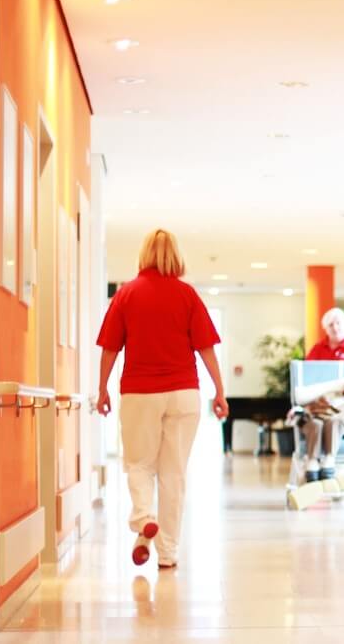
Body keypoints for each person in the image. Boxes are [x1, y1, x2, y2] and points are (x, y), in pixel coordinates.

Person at [96, 229, 227, 569]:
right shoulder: (187, 295)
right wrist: (220, 391)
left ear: (143, 255)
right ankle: (167, 554)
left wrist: (102, 388)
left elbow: (110, 348)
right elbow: (206, 349)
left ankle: (143, 517)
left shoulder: (126, 294)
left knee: (139, 464)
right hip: (184, 394)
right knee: (174, 474)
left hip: (140, 393)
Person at [301, 308, 344, 478]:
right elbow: (307, 374)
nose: (335, 327)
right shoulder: (318, 348)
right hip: (323, 400)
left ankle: (329, 459)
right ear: (325, 328)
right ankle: (312, 461)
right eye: (331, 324)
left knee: (334, 422)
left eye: (339, 323)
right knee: (316, 422)